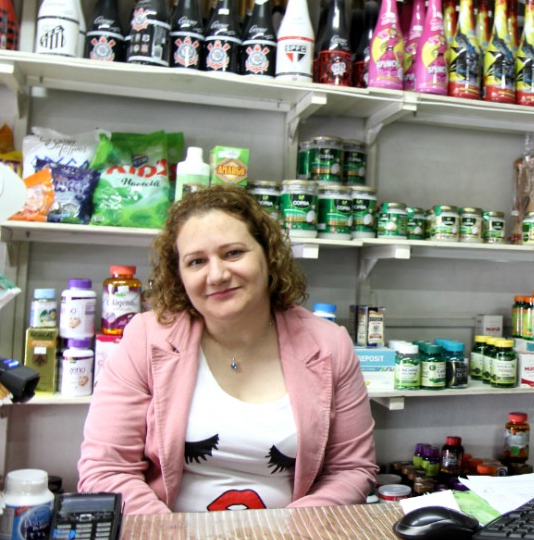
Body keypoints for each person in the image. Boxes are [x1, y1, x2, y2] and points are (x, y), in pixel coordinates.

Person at [78, 185, 377, 514]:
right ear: (179, 275)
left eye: (233, 253)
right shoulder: (145, 339)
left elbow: (351, 471)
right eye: (196, 261)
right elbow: (105, 470)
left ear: (268, 255)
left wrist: (290, 537)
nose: (217, 274)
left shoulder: (329, 344)